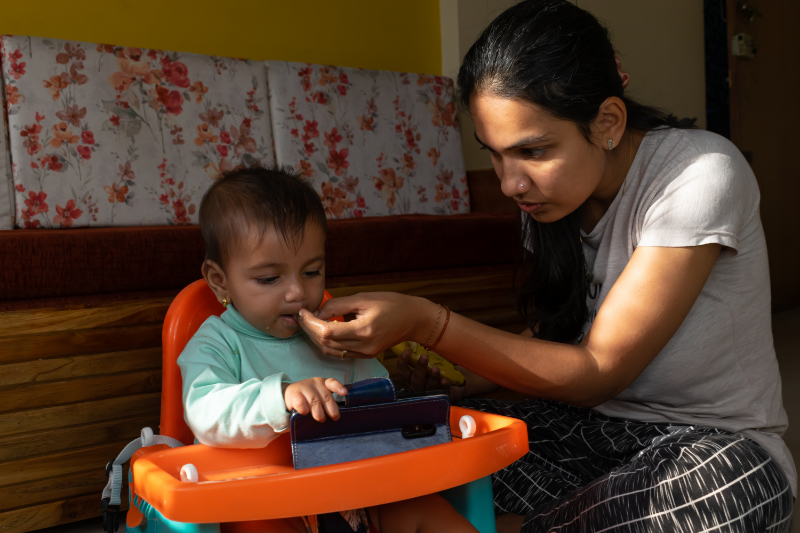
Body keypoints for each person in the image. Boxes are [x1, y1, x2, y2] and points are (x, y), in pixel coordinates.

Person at [295, 1, 796, 531]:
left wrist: (429, 322)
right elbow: (569, 326)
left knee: (724, 493)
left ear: (607, 121)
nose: (510, 182)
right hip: (588, 433)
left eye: (532, 152)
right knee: (425, 432)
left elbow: (598, 371)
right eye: (494, 153)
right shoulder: (546, 200)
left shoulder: (700, 174)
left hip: (706, 445)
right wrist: (462, 380)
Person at [178, 166, 478, 533]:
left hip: (356, 493)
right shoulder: (215, 343)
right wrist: (283, 396)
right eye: (270, 279)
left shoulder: (334, 340)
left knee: (426, 509)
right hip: (263, 500)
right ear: (220, 281)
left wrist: (388, 385)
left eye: (311, 272)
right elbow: (205, 411)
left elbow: (381, 411)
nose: (296, 293)